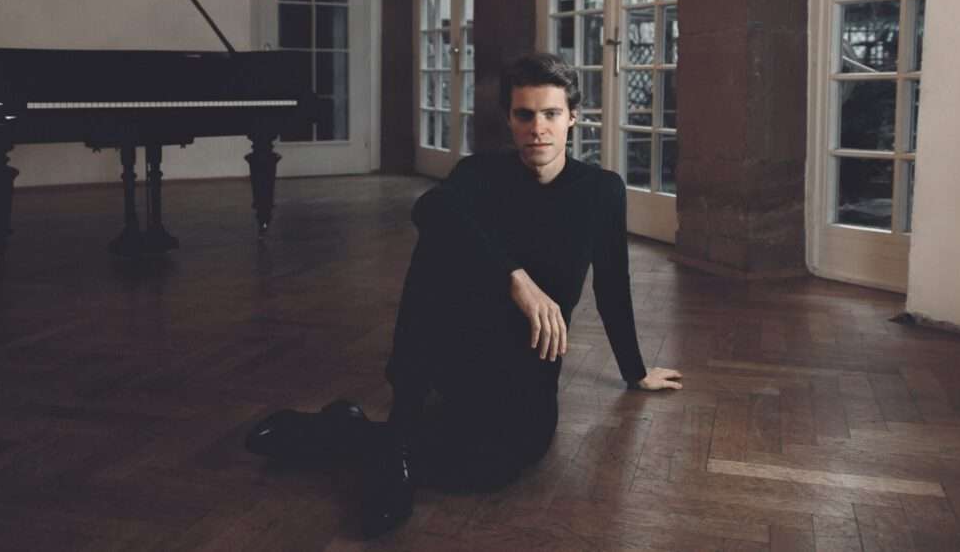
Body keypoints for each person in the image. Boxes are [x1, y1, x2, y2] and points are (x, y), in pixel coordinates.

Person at [245, 52, 682, 537]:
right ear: (509, 120)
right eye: (525, 115)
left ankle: (348, 433)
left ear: (573, 117)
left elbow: (613, 286)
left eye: (551, 114)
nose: (538, 128)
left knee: (493, 469)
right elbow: (427, 210)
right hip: (461, 348)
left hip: (530, 361)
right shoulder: (479, 174)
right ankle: (399, 435)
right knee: (438, 240)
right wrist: (516, 278)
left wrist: (635, 371)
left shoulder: (601, 191)